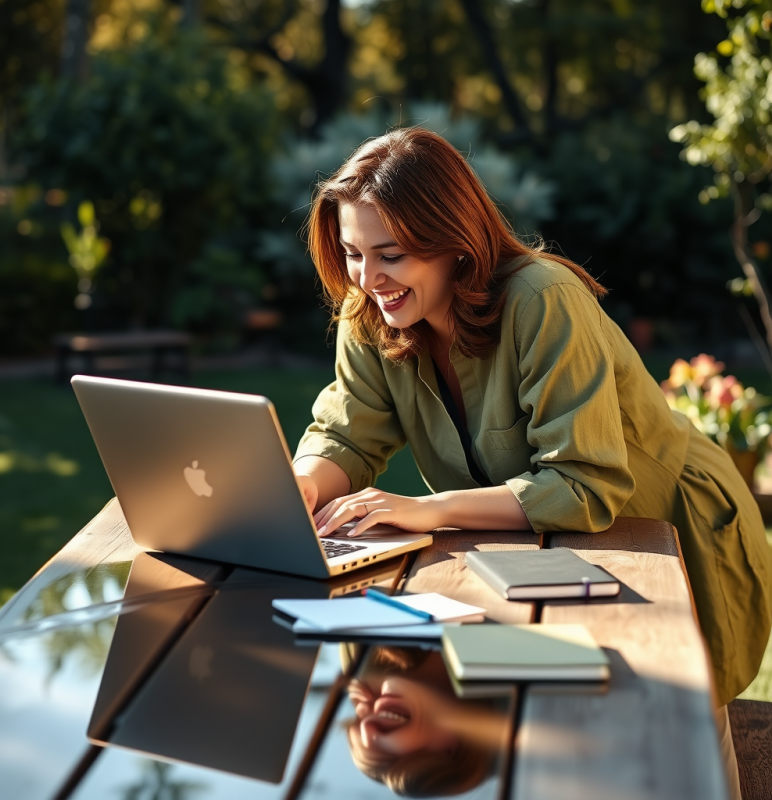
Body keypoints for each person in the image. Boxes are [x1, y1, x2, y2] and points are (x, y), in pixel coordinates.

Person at [291, 127, 771, 729]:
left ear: (455, 243)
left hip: (662, 531)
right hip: (534, 553)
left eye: (391, 255)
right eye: (353, 253)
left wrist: (426, 510)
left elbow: (583, 485)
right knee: (520, 719)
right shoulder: (370, 315)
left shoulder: (542, 300)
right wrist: (303, 485)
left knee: (660, 727)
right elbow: (347, 433)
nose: (367, 278)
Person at [344, 647, 508, 797]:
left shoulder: (356, 655)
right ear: (451, 752)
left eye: (359, 719)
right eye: (393, 758)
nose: (367, 726)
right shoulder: (513, 676)